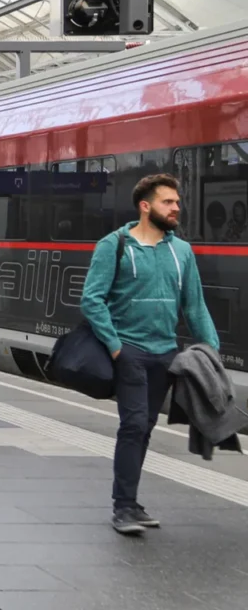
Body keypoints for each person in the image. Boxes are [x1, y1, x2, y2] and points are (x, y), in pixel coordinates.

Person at [81, 174, 219, 535]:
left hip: (165, 353)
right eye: (167, 202)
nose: (176, 208)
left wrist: (212, 352)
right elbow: (91, 299)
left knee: (145, 428)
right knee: (134, 424)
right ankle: (123, 506)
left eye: (176, 202)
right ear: (145, 207)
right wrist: (115, 346)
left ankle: (131, 501)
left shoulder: (182, 251)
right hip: (130, 351)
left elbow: (195, 305)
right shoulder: (115, 245)